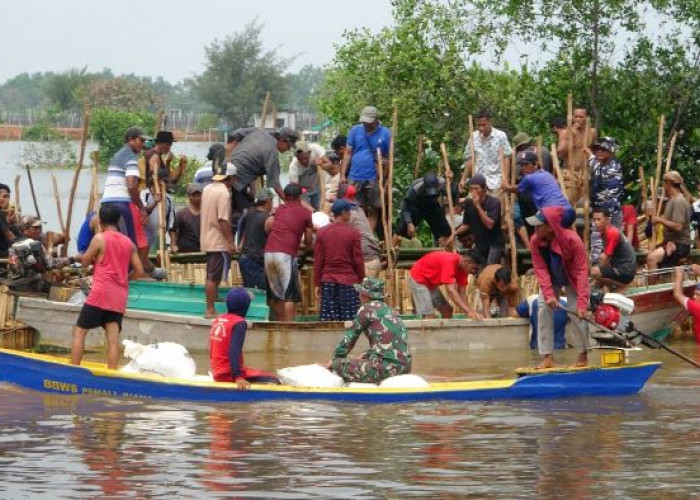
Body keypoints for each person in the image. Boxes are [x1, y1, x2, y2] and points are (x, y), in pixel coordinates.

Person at [70, 204, 144, 370]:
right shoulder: (129, 242)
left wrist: (81, 258)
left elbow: (85, 261)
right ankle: (112, 373)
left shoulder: (99, 238)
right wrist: (126, 279)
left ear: (100, 221)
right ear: (118, 220)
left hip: (100, 293)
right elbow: (140, 271)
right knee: (112, 340)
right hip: (119, 296)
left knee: (79, 332)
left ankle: (72, 371)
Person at [527, 211, 589, 369]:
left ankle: (583, 353)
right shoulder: (535, 241)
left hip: (572, 276)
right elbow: (540, 269)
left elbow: (582, 271)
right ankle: (547, 356)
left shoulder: (572, 239)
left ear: (549, 227)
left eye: (538, 226)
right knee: (542, 309)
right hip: (551, 277)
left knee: (577, 313)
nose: (535, 229)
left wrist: (582, 303)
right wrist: (549, 295)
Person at [328, 278, 412, 384]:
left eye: (360, 294)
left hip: (385, 369)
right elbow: (389, 343)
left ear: (366, 295)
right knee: (363, 356)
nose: (359, 296)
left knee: (338, 365)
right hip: (406, 367)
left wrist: (335, 361)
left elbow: (348, 340)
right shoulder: (391, 311)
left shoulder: (366, 309)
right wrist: (366, 354)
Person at [101, 126, 151, 270]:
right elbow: (131, 185)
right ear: (131, 140)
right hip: (121, 202)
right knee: (134, 242)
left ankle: (119, 271)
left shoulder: (118, 155)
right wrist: (141, 207)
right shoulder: (130, 157)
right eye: (140, 140)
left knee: (114, 240)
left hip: (107, 202)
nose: (143, 144)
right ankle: (132, 275)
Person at [501, 151, 575, 248]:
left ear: (536, 164)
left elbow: (515, 189)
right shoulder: (548, 175)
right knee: (557, 237)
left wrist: (506, 186)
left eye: (526, 164)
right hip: (569, 212)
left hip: (552, 213)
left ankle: (536, 250)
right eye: (522, 165)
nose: (523, 168)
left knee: (534, 227)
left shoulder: (529, 178)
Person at [210, 288, 280, 389]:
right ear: (246, 306)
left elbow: (213, 348)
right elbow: (234, 350)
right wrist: (238, 377)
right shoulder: (239, 323)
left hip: (217, 372)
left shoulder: (218, 319)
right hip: (228, 374)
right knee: (274, 380)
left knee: (255, 372)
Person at [263, 184, 313, 321]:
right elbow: (309, 239)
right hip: (285, 253)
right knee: (289, 295)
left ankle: (280, 323)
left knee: (276, 294)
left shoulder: (279, 210)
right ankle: (289, 326)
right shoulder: (305, 213)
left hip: (268, 252)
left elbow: (269, 224)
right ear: (299, 197)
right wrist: (307, 246)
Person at [339, 106, 392, 231]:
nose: (366, 124)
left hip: (374, 177)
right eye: (364, 121)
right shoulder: (355, 130)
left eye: (369, 121)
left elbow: (389, 158)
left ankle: (368, 236)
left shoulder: (385, 133)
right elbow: (347, 153)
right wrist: (342, 175)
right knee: (354, 208)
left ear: (376, 120)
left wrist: (385, 179)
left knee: (373, 209)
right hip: (355, 175)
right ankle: (357, 235)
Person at [230, 127, 298, 221]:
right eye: (288, 147)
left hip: (230, 168)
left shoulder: (260, 131)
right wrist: (289, 203)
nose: (288, 150)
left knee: (239, 209)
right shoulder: (272, 153)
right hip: (239, 180)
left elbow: (236, 133)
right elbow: (276, 185)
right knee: (245, 215)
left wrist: (231, 149)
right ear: (282, 140)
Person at [314, 199, 365, 321]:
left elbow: (318, 260)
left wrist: (317, 283)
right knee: (349, 321)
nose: (350, 214)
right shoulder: (353, 233)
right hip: (348, 281)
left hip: (328, 281)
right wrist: (361, 279)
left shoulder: (322, 232)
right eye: (349, 212)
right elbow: (358, 260)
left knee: (329, 321)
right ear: (344, 213)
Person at [200, 161, 237, 318]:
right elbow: (223, 219)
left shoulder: (207, 188)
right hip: (217, 240)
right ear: (229, 178)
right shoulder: (223, 193)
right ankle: (210, 309)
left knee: (212, 273)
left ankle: (213, 299)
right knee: (213, 276)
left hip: (207, 236)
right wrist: (230, 241)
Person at [408, 250, 484, 319]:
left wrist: (470, 311)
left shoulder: (464, 269)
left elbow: (462, 293)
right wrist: (468, 311)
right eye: (474, 268)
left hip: (430, 283)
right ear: (467, 262)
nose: (474, 272)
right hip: (418, 279)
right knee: (429, 315)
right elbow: (451, 291)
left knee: (447, 311)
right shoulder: (450, 261)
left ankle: (445, 334)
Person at [448, 174, 504, 266]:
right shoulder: (469, 204)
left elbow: (490, 225)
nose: (473, 191)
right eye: (471, 189)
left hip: (495, 243)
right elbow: (466, 225)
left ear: (484, 189)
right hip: (480, 243)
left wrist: (478, 206)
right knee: (479, 268)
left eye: (476, 188)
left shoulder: (494, 203)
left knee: (490, 267)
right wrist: (454, 234)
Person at [586, 137, 625, 260]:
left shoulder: (612, 169)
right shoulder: (601, 165)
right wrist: (589, 154)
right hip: (601, 213)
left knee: (605, 247)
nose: (599, 151)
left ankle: (602, 271)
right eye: (597, 149)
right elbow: (595, 165)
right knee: (598, 245)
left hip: (609, 215)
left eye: (603, 149)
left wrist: (601, 218)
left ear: (611, 151)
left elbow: (610, 198)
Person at [458, 109, 511, 192]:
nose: (481, 128)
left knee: (495, 204)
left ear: (490, 122)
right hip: (477, 184)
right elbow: (471, 159)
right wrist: (463, 179)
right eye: (478, 125)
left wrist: (505, 179)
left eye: (483, 125)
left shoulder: (500, 136)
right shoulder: (473, 137)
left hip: (495, 183)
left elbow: (506, 158)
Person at [647, 170, 691, 271]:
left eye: (664, 182)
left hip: (680, 245)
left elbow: (679, 226)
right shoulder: (672, 200)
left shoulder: (678, 201)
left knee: (651, 259)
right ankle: (660, 284)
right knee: (653, 257)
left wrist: (659, 219)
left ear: (669, 183)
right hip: (673, 243)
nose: (663, 185)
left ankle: (655, 287)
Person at [396, 172, 454, 246]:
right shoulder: (415, 189)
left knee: (445, 229)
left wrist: (451, 182)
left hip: (432, 206)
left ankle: (447, 250)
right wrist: (409, 223)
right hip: (416, 207)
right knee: (401, 228)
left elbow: (453, 194)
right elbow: (406, 206)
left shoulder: (443, 183)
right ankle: (392, 249)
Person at [338, 183, 382, 278]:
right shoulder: (359, 210)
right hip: (373, 259)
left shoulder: (349, 214)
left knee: (363, 292)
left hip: (366, 261)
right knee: (369, 292)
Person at [554, 107, 598, 204]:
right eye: (576, 117)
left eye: (581, 117)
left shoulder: (592, 132)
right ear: (572, 118)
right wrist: (570, 137)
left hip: (584, 173)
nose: (578, 119)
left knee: (583, 205)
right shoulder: (565, 133)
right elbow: (560, 153)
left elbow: (595, 151)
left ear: (586, 118)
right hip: (569, 173)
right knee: (567, 202)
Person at [590, 208, 637, 289]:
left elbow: (604, 259)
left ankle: (622, 287)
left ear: (607, 220)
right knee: (597, 264)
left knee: (594, 271)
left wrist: (595, 276)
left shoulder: (612, 232)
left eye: (599, 219)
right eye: (594, 220)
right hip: (619, 266)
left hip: (625, 271)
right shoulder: (603, 232)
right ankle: (602, 285)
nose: (596, 222)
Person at [238, 189, 274, 290]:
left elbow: (244, 233)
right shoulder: (269, 219)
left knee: (250, 292)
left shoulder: (249, 213)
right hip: (256, 260)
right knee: (259, 294)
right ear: (268, 201)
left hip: (245, 258)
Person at [289, 141, 327, 210]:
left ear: (310, 153)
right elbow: (295, 190)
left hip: (317, 188)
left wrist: (322, 164)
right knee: (307, 211)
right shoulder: (293, 167)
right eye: (300, 159)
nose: (304, 161)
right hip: (303, 192)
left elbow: (330, 165)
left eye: (306, 158)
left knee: (320, 208)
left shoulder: (316, 150)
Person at [170, 183, 203, 254]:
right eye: (194, 195)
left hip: (201, 250)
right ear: (189, 196)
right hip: (184, 251)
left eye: (199, 195)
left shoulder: (206, 213)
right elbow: (174, 231)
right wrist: (173, 245)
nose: (197, 197)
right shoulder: (181, 214)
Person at [672, 266, 700, 344]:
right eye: (694, 294)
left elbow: (677, 294)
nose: (694, 297)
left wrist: (679, 275)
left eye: (698, 295)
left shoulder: (696, 307)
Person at [0, 183, 17, 257]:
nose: (7, 200)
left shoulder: (3, 214)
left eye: (8, 197)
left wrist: (8, 222)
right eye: (4, 196)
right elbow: (10, 236)